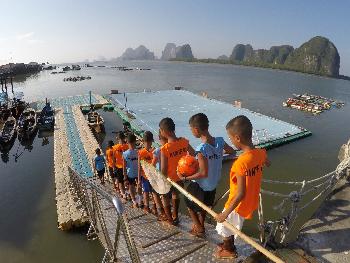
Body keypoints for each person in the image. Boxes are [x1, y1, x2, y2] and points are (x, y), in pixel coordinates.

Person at [214, 115, 270, 259]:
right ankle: (230, 245)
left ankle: (230, 251)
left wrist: (224, 214)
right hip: (250, 202)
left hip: (237, 204)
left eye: (231, 138)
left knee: (223, 228)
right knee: (231, 226)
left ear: (238, 138)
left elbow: (240, 193)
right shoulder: (261, 153)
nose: (231, 141)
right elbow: (267, 162)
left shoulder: (240, 163)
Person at [178, 113, 235, 237]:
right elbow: (232, 151)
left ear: (196, 130)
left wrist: (185, 178)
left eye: (191, 129)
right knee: (205, 206)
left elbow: (203, 173)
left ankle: (199, 228)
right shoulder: (219, 141)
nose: (191, 132)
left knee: (189, 204)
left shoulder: (202, 148)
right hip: (213, 184)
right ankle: (201, 224)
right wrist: (218, 155)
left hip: (201, 185)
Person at [159, 117, 194, 225]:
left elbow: (163, 169)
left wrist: (161, 181)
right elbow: (193, 154)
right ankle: (176, 215)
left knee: (165, 196)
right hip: (180, 176)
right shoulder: (184, 141)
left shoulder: (165, 149)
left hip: (169, 178)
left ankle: (169, 218)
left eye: (160, 131)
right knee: (175, 195)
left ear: (164, 132)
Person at [138, 131, 156, 214]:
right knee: (153, 192)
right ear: (152, 140)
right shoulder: (155, 151)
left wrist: (138, 180)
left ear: (143, 141)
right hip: (152, 176)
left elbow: (139, 167)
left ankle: (147, 206)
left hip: (145, 176)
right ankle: (155, 207)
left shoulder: (141, 153)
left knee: (146, 191)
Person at [151, 133, 167, 216]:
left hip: (159, 176)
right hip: (168, 176)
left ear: (159, 140)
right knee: (166, 195)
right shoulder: (169, 148)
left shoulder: (157, 150)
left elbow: (153, 165)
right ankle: (168, 212)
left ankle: (162, 213)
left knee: (156, 194)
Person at [123, 133, 139, 208]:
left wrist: (125, 177)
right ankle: (140, 200)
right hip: (138, 173)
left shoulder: (125, 154)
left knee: (131, 187)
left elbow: (124, 166)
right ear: (135, 141)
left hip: (130, 174)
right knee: (139, 186)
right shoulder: (138, 152)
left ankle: (134, 202)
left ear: (127, 142)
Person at [113, 132, 129, 199]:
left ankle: (123, 194)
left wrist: (114, 167)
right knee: (128, 180)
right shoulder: (127, 146)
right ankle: (128, 193)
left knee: (120, 181)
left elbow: (114, 159)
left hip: (119, 167)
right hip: (127, 167)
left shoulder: (115, 147)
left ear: (117, 138)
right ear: (124, 138)